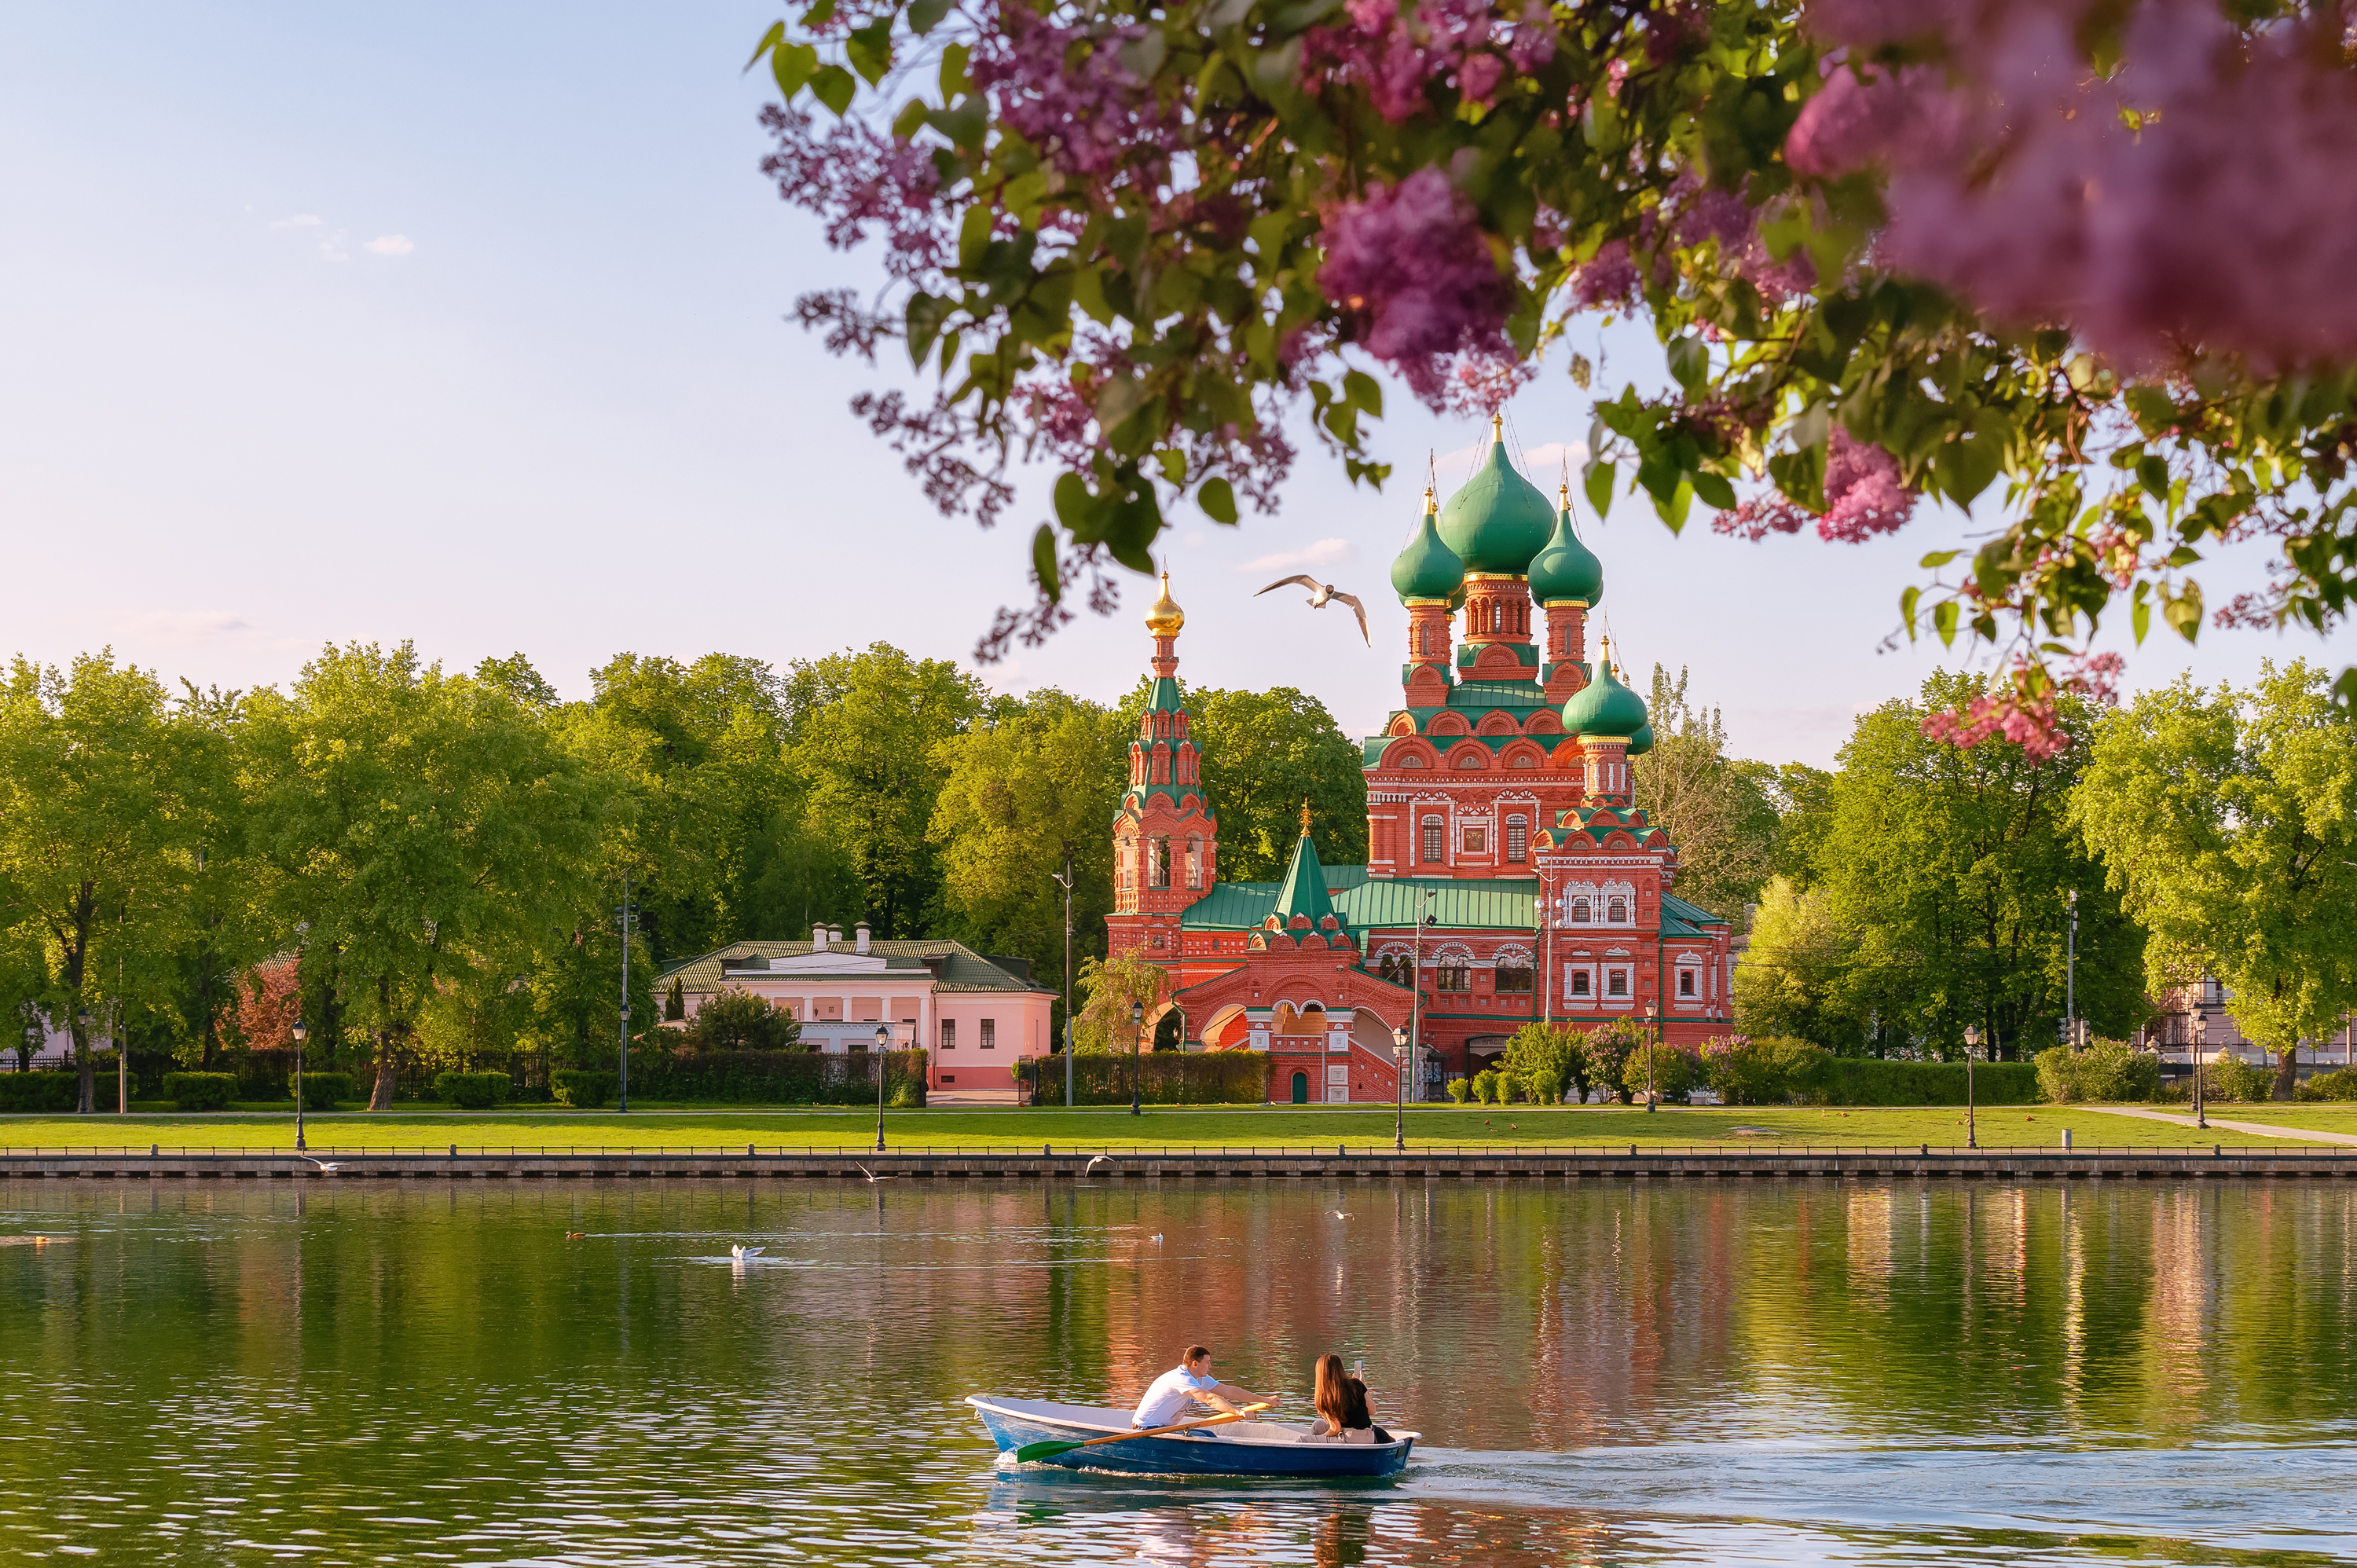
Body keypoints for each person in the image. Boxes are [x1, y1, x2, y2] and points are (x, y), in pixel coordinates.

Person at [1131, 1344, 1270, 1429]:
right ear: (1195, 1364)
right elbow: (1210, 1399)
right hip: (1147, 1428)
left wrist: (1265, 1400)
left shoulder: (1199, 1378)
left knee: (1205, 1435)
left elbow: (1229, 1391)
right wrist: (1239, 1412)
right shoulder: (1181, 1378)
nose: (1210, 1366)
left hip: (1163, 1428)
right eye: (1207, 1362)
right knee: (1205, 1438)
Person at [1301, 1354, 1392, 1444]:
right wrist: (1363, 1384)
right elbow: (1372, 1411)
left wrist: (1317, 1439)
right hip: (1369, 1436)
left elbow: (1335, 1429)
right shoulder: (1357, 1384)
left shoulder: (1328, 1395)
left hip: (1350, 1438)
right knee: (1317, 1426)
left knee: (1303, 1440)